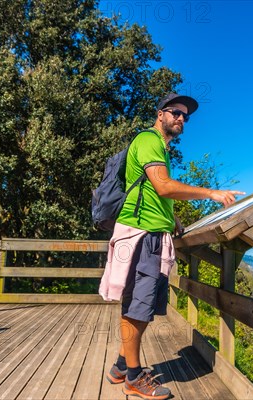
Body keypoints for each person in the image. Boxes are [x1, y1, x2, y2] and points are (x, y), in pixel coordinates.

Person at [98, 93, 244, 400]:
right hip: (142, 235)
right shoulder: (149, 140)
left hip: (147, 232)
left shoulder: (158, 148)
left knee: (137, 305)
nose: (181, 118)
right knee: (138, 308)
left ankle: (122, 366)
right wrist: (211, 193)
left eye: (185, 116)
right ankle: (135, 379)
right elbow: (164, 186)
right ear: (160, 113)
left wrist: (173, 219)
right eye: (175, 112)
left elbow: (154, 193)